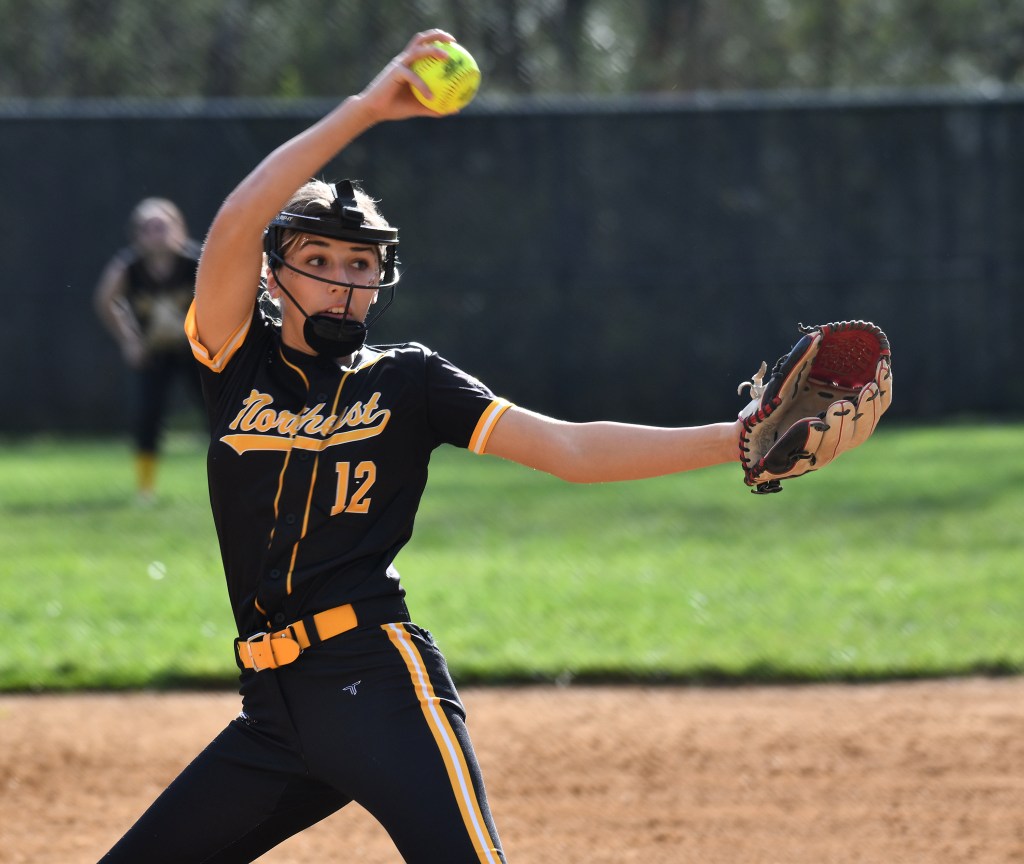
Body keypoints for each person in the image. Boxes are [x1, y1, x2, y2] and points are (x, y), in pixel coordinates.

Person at [99, 30, 742, 864]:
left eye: (361, 263)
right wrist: (366, 110)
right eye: (318, 258)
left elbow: (572, 450)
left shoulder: (409, 379)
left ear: (381, 278)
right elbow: (236, 221)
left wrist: (739, 439)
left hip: (379, 683)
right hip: (274, 709)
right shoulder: (234, 358)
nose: (342, 278)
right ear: (273, 276)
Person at [94, 196, 203, 502]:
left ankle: (234, 476)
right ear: (136, 234)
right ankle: (145, 489)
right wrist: (129, 340)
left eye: (162, 226)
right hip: (154, 352)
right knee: (147, 416)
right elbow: (105, 299)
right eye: (147, 228)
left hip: (195, 350)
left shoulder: (196, 262)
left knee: (217, 413)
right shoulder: (129, 268)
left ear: (178, 228)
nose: (156, 234)